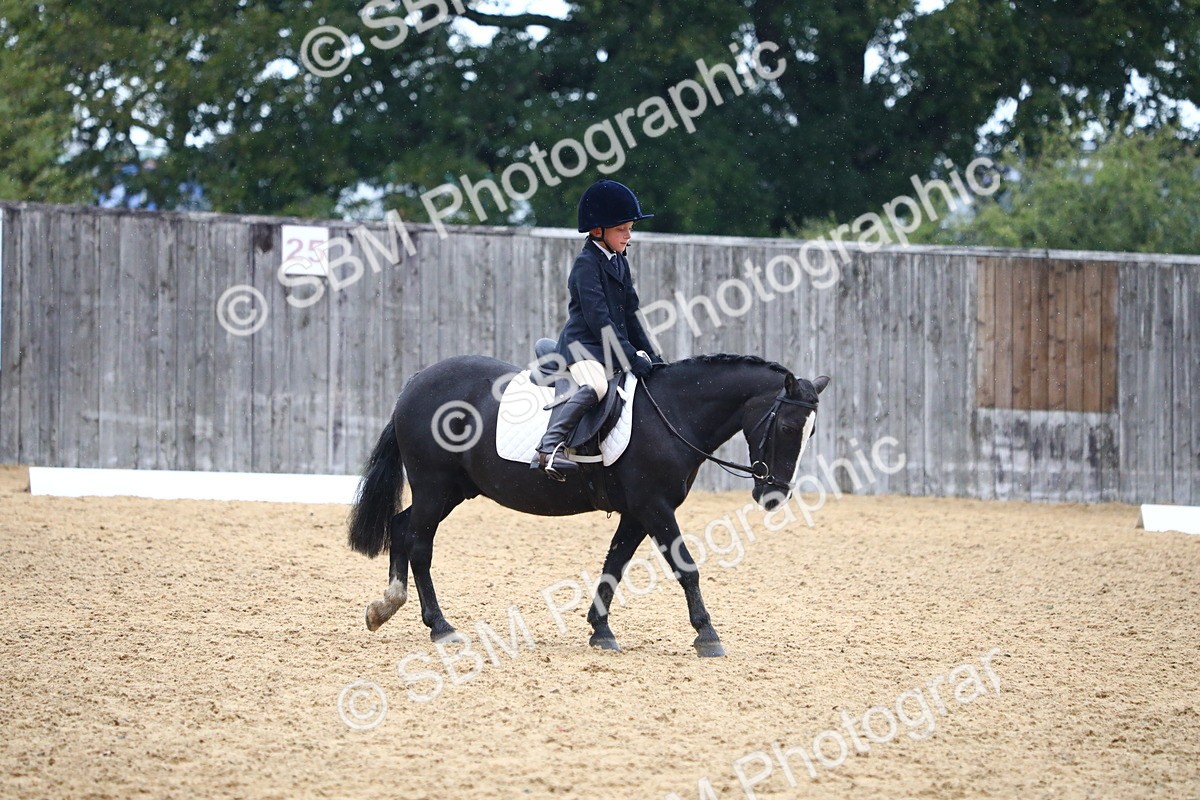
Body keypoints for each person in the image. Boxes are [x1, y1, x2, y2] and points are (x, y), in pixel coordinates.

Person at [531, 179, 665, 481]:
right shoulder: (585, 265)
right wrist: (630, 357)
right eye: (622, 229)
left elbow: (631, 314)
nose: (629, 235)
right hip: (583, 349)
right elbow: (599, 320)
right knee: (597, 387)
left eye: (630, 228)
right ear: (597, 231)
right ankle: (549, 448)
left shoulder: (620, 262)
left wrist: (654, 357)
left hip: (608, 347)